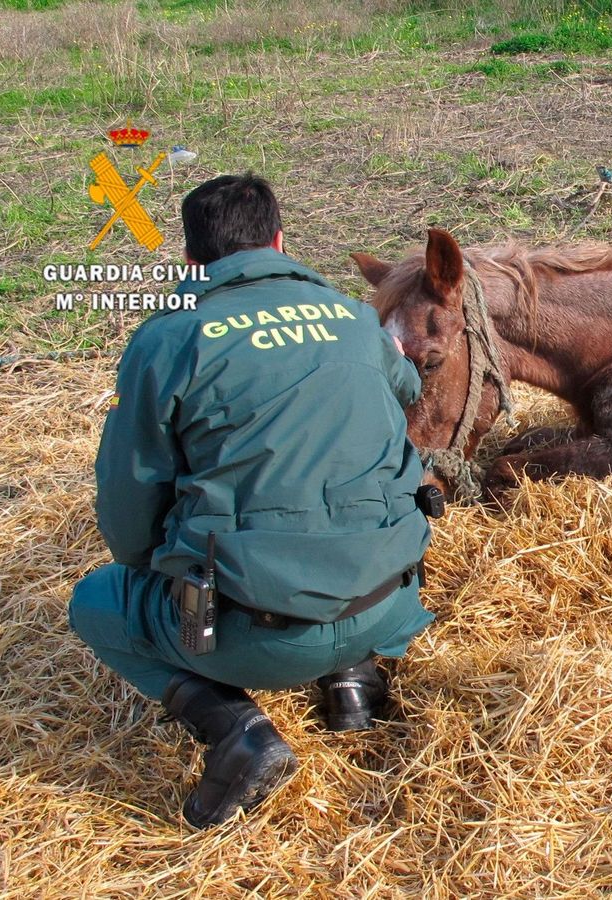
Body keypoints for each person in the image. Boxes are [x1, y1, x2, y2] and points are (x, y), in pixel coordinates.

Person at [68, 173, 435, 829]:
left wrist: (165, 562)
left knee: (96, 602)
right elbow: (408, 387)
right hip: (390, 604)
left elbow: (129, 528)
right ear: (279, 239)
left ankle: (236, 731)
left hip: (253, 638)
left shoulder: (168, 339)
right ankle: (354, 684)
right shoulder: (354, 319)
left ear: (191, 260)